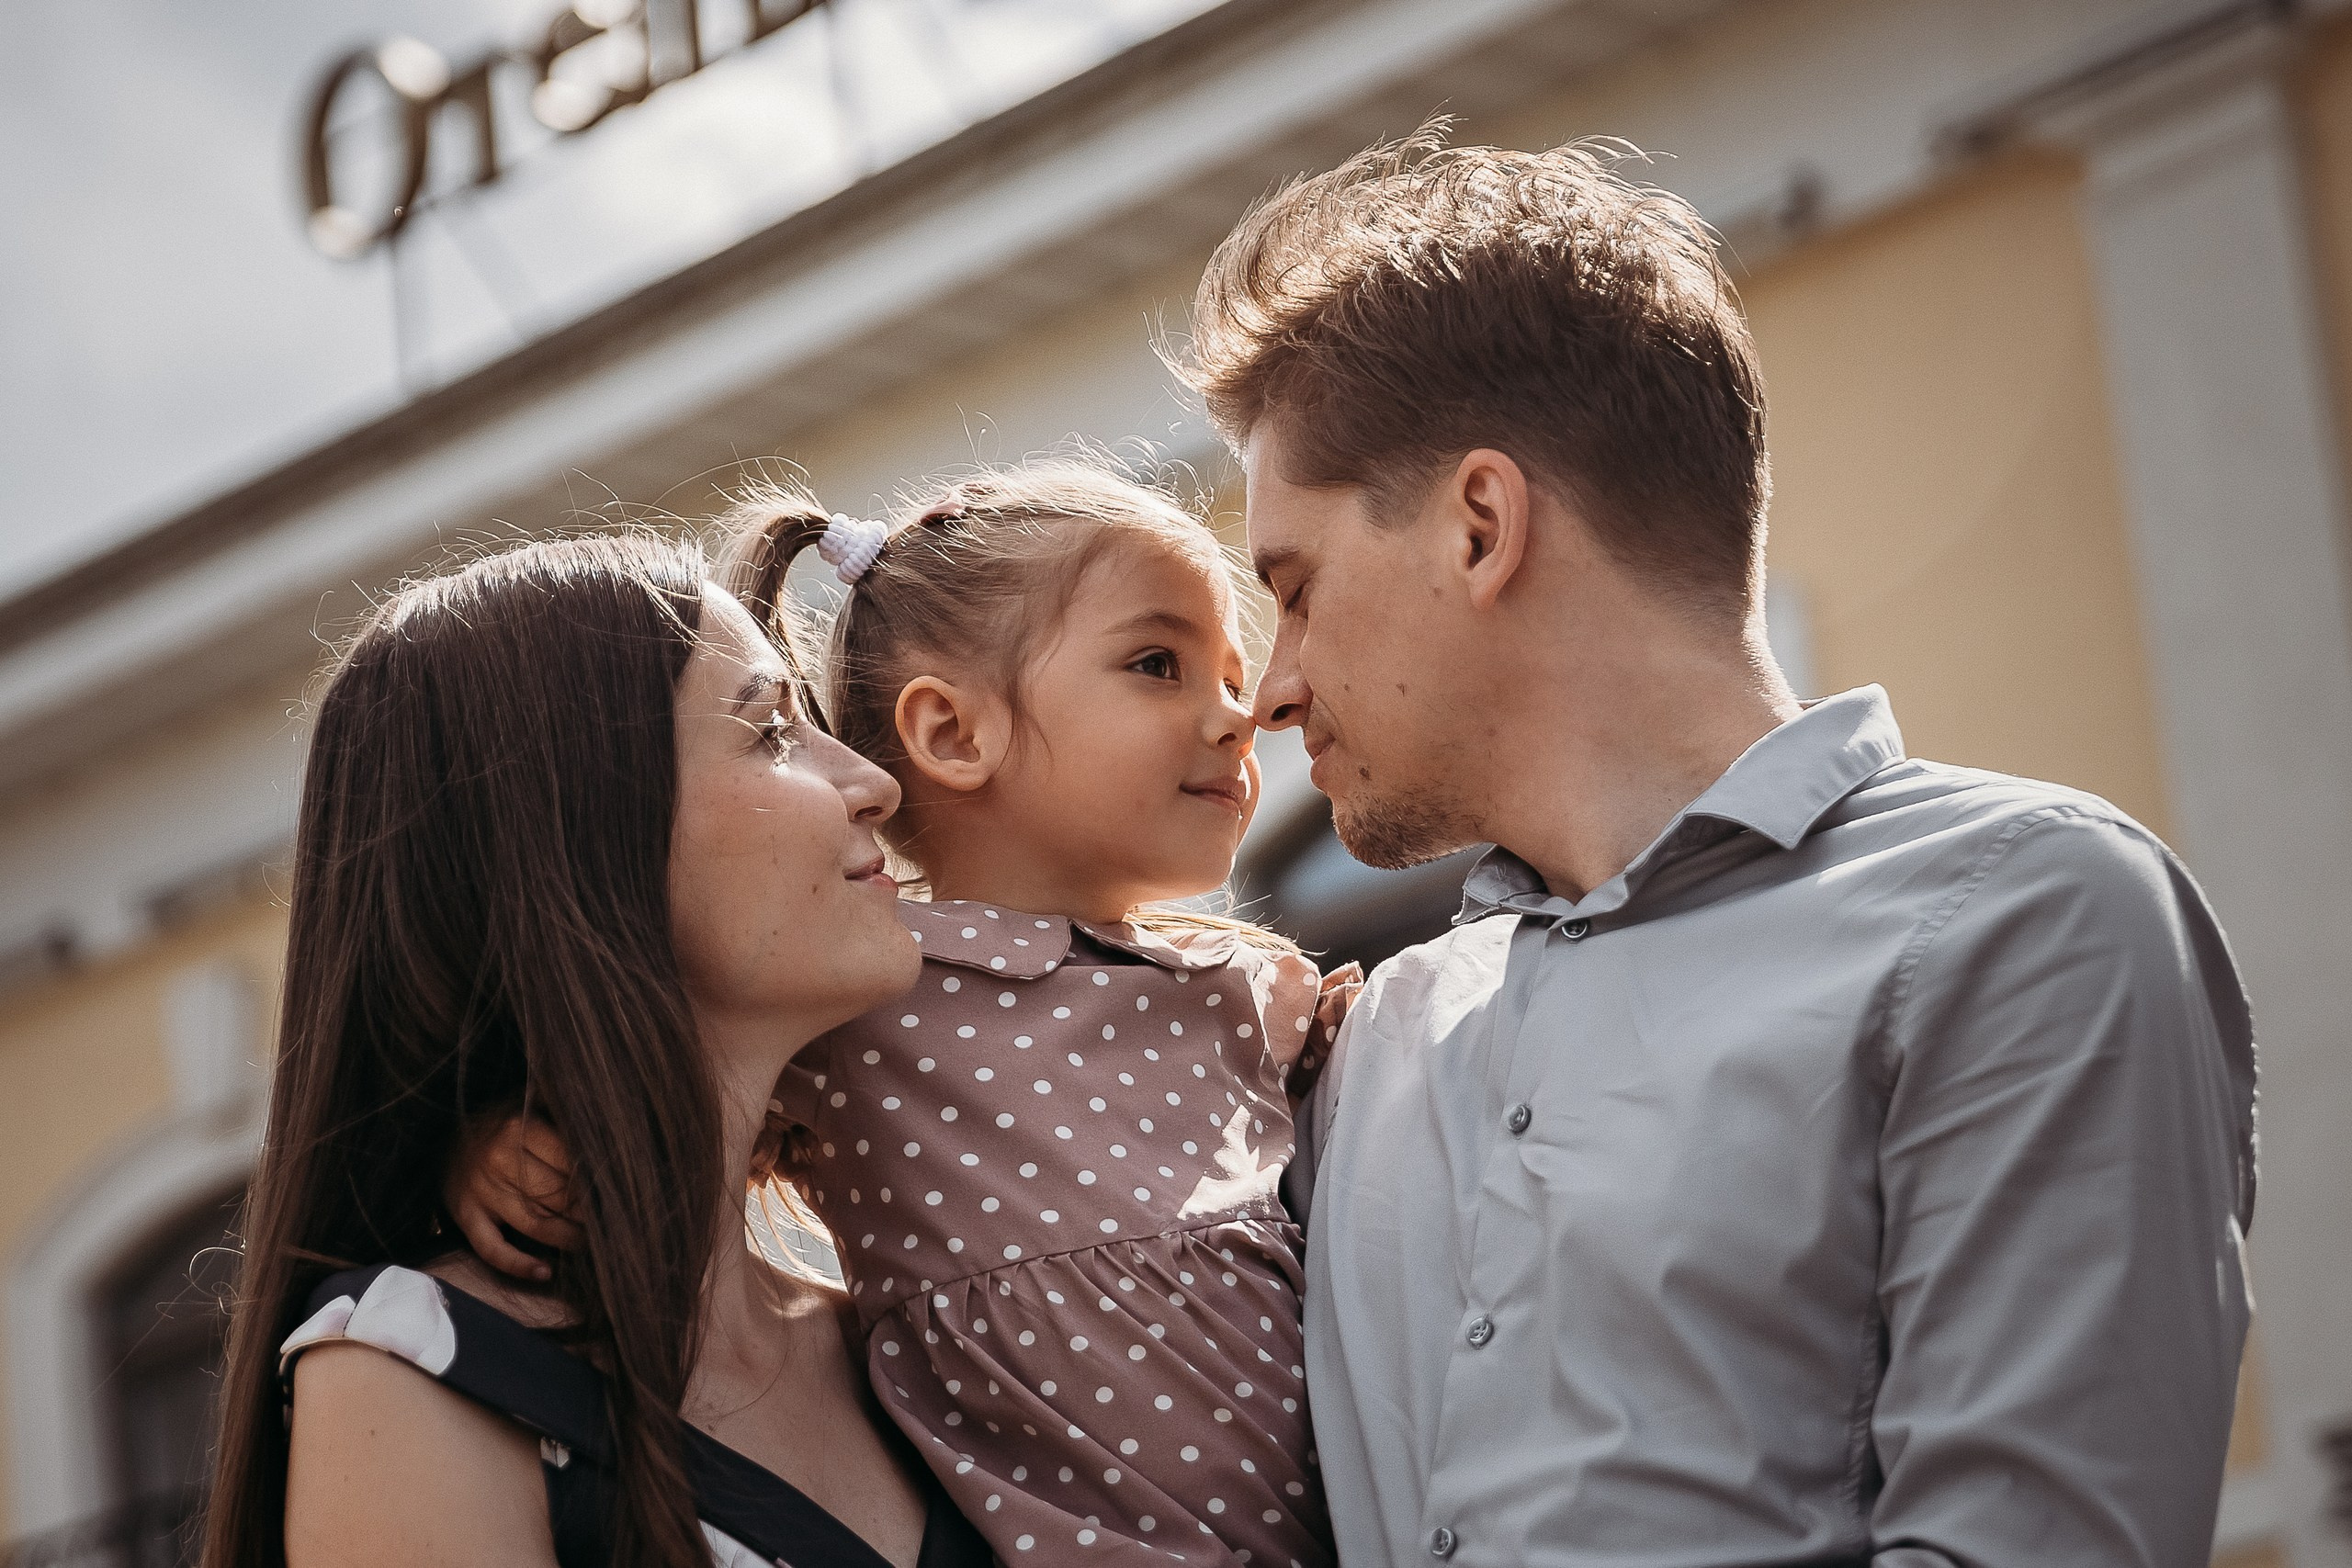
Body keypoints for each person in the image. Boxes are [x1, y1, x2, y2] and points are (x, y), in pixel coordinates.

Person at [1169, 130, 2258, 1566]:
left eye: (1295, 589)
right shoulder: (1378, 1043)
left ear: (1481, 527)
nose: (1271, 685)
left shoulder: (2027, 912)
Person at [452, 463, 1354, 1567]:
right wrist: (505, 1140)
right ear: (950, 731)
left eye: (1229, 673)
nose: (1238, 713)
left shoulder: (1250, 989)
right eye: (1158, 664)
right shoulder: (861, 1000)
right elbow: (660, 1102)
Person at [200, 535, 992, 1568]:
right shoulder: (421, 1367)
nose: (873, 782)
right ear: (578, 839)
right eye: (770, 731)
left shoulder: (906, 1347)